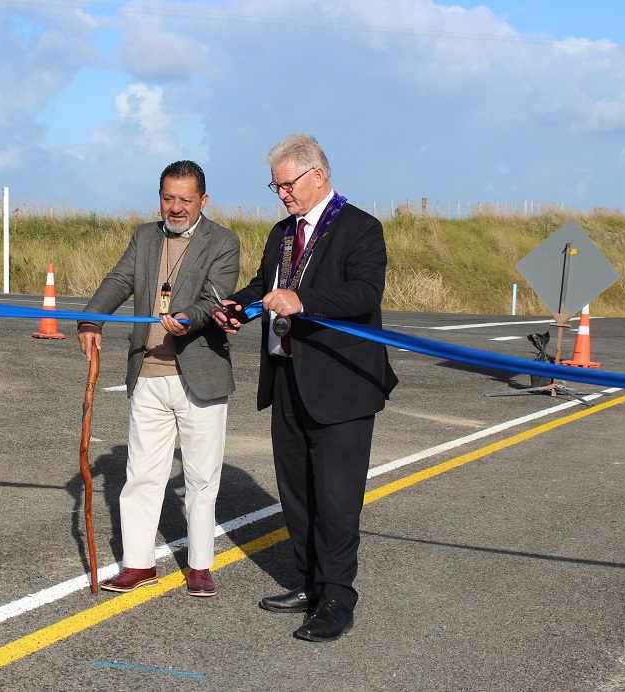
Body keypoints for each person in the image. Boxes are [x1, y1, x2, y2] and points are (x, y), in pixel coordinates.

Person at [213, 134, 398, 642]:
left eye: (287, 185)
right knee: (296, 495)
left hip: (341, 385)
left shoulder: (361, 228)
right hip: (287, 378)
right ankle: (311, 583)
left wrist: (303, 300)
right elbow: (264, 288)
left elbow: (364, 293)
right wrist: (237, 309)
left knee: (337, 498)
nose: (281, 195)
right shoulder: (282, 233)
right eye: (275, 187)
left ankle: (338, 598)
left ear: (317, 175)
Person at [78, 160, 240, 598]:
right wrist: (90, 322)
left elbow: (216, 298)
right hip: (147, 372)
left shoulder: (224, 242)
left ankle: (200, 566)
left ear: (203, 200)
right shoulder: (144, 237)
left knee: (201, 478)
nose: (176, 207)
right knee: (141, 475)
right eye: (168, 197)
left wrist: (191, 318)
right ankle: (138, 564)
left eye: (186, 199)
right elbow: (119, 279)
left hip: (199, 375)